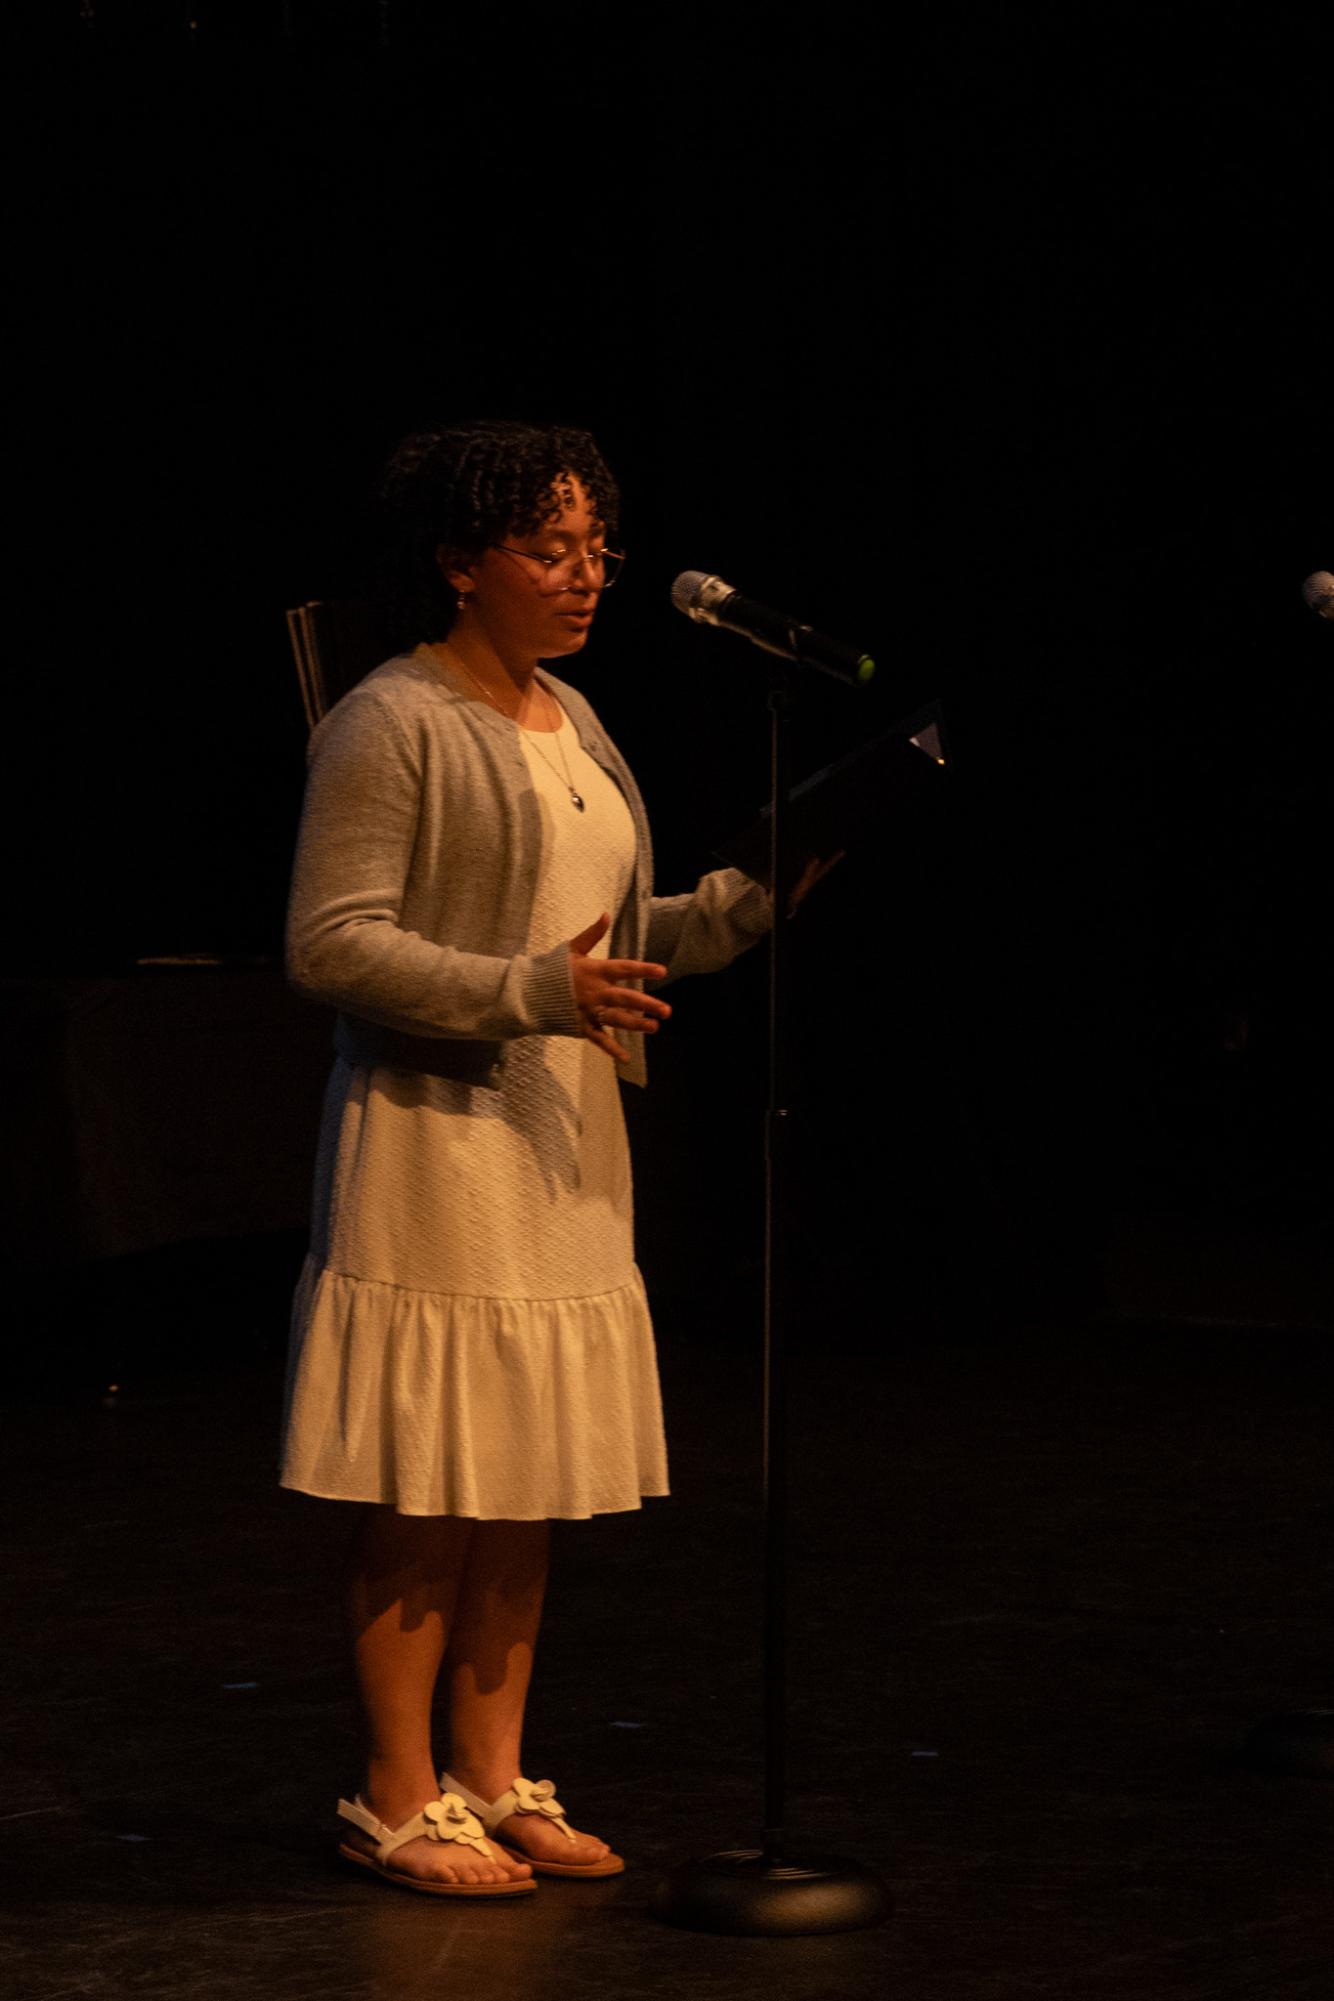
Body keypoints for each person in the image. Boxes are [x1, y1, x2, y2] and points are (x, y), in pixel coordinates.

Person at [279, 419, 777, 1898]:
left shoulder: (573, 718)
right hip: (435, 1144)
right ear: (458, 561)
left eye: (597, 547)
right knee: (429, 1477)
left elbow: (603, 939)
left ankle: (493, 1777)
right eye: (549, 547)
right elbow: (330, 941)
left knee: (523, 1476)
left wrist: (742, 905)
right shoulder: (392, 720)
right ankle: (395, 1790)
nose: (585, 574)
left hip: (564, 1145)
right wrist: (529, 995)